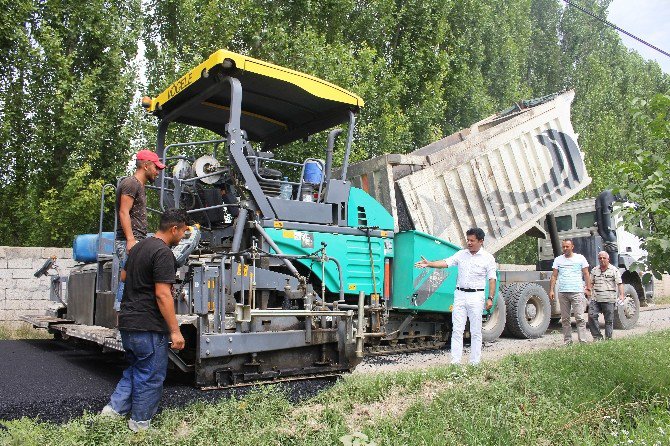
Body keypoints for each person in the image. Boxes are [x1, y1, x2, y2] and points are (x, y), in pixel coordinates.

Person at [101, 208, 188, 432]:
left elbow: (123, 276)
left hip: (128, 323)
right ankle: (139, 426)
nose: (182, 237)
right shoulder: (163, 253)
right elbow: (162, 294)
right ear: (174, 229)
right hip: (148, 325)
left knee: (135, 370)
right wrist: (175, 331)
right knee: (150, 376)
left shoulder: (138, 248)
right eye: (183, 232)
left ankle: (111, 414)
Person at [414, 227, 496, 366]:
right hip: (460, 295)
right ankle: (455, 363)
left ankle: (474, 363)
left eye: (472, 240)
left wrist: (490, 298)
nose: (469, 243)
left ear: (481, 241)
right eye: (468, 240)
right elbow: (446, 263)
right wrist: (430, 264)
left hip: (476, 296)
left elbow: (492, 279)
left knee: (475, 331)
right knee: (457, 330)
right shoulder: (461, 254)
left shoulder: (488, 258)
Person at [114, 149, 166, 311]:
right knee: (128, 279)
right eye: (155, 168)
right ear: (145, 165)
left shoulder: (138, 185)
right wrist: (130, 240)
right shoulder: (131, 183)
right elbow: (124, 211)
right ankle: (121, 320)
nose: (157, 172)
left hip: (136, 240)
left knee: (133, 279)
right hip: (129, 241)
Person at [549, 239, 591, 345]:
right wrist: (551, 290)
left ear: (572, 247)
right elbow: (554, 275)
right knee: (565, 319)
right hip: (563, 292)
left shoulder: (580, 258)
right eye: (563, 247)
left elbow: (586, 274)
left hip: (577, 291)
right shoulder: (558, 260)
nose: (565, 249)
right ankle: (568, 341)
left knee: (580, 317)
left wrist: (588, 288)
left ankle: (583, 341)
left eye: (567, 246)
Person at [588, 251, 625, 340]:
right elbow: (590, 283)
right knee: (591, 316)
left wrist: (621, 295)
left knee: (608, 321)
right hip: (596, 298)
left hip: (609, 299)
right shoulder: (594, 270)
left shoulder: (614, 270)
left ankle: (608, 339)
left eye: (604, 258)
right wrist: (588, 291)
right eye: (600, 258)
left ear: (608, 259)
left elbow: (620, 283)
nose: (602, 260)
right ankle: (597, 337)